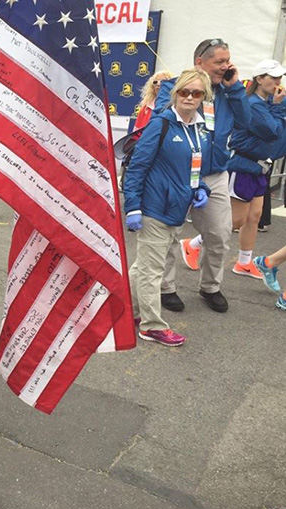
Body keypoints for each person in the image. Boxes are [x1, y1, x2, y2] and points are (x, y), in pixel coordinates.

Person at [156, 39, 250, 314]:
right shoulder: (174, 86)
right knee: (170, 234)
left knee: (220, 234)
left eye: (227, 60)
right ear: (200, 62)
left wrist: (236, 90)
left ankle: (210, 286)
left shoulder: (229, 92)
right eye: (219, 62)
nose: (226, 66)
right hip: (177, 174)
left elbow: (246, 122)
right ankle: (166, 288)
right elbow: (160, 121)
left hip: (214, 174)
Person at [124, 68, 213, 347]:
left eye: (196, 93)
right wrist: (133, 207)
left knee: (144, 267)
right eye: (184, 91)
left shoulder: (200, 127)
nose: (189, 97)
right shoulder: (161, 123)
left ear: (204, 97)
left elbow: (194, 166)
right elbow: (138, 165)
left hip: (177, 208)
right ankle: (151, 326)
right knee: (153, 270)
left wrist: (201, 189)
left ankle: (127, 311)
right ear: (175, 93)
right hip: (154, 208)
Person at [225, 59, 286, 278]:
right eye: (273, 77)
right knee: (237, 219)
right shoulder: (253, 104)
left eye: (280, 77)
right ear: (259, 79)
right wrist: (279, 107)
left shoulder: (267, 102)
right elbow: (272, 132)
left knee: (255, 216)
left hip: (259, 166)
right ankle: (193, 244)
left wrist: (279, 105)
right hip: (243, 164)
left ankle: (243, 262)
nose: (278, 82)